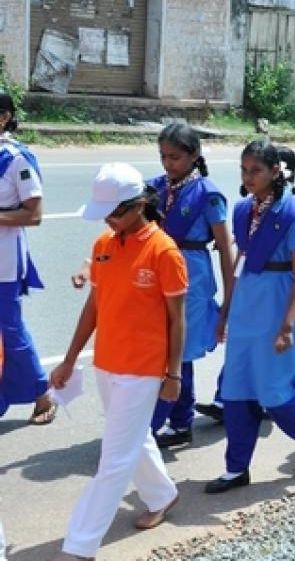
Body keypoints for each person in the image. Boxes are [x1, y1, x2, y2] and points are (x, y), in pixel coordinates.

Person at [51, 163, 186, 559]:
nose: (108, 220)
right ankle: (162, 495)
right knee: (131, 439)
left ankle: (80, 545)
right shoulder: (103, 245)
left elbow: (178, 319)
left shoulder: (164, 251)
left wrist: (173, 373)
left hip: (143, 369)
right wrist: (69, 359)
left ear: (140, 204)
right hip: (108, 364)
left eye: (114, 212)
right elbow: (94, 307)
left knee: (114, 460)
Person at [204, 142, 295, 495]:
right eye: (244, 170)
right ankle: (236, 468)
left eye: (255, 170)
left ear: (276, 171)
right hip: (248, 302)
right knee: (236, 391)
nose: (248, 178)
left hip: (278, 305)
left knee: (273, 392)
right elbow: (240, 264)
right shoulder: (243, 209)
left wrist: (288, 326)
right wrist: (225, 312)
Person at [146, 123, 233, 448]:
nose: (169, 164)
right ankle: (180, 421)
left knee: (178, 350)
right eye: (163, 157)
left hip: (191, 279)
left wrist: (228, 298)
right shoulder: (155, 188)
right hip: (156, 274)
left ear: (194, 155)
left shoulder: (208, 195)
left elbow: (225, 248)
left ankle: (159, 424)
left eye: (176, 157)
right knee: (164, 348)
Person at [0, 92, 56, 425]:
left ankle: (41, 393)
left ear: (4, 117)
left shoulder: (16, 159)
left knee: (10, 329)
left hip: (4, 260)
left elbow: (34, 214)